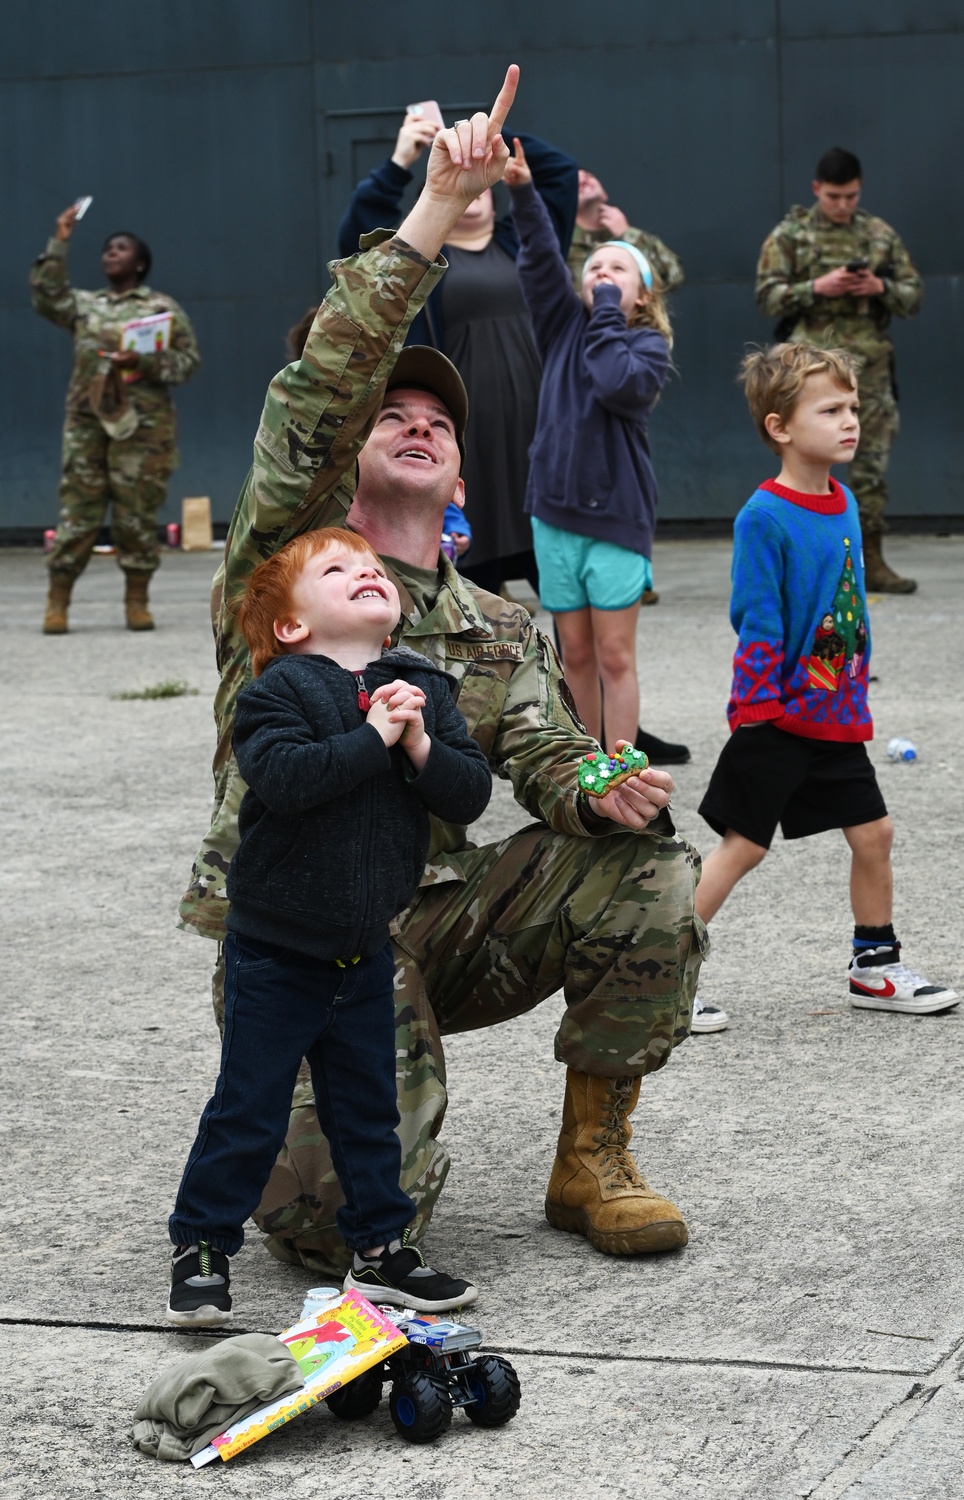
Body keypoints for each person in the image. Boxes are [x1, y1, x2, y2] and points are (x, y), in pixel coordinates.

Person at [180, 66, 704, 1275]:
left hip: (448, 914)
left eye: (440, 422)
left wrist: (594, 788)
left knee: (645, 866)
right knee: (334, 1237)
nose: (417, 423)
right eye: (390, 415)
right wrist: (433, 209)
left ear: (463, 475)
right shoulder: (290, 571)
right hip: (308, 933)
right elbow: (317, 389)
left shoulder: (498, 624)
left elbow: (541, 747)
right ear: (346, 452)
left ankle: (593, 1158)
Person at [168, 525, 491, 1325]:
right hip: (275, 951)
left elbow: (468, 795)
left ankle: (381, 1250)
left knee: (367, 1110)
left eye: (374, 567)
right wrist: (371, 738)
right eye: (339, 569)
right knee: (250, 1105)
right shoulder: (279, 690)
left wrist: (417, 742)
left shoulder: (423, 687)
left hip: (362, 950)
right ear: (291, 626)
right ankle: (202, 1242)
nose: (366, 574)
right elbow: (285, 778)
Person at [693, 342, 957, 1024]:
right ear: (780, 427)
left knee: (875, 835)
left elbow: (844, 607)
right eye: (831, 409)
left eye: (854, 408)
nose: (850, 422)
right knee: (743, 847)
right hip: (776, 714)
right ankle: (658, 972)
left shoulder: (842, 500)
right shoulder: (764, 516)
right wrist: (753, 705)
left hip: (833, 715)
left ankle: (873, 966)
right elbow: (756, 616)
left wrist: (853, 683)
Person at [337, 107, 577, 598]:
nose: (472, 196)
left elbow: (560, 173)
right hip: (471, 437)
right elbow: (357, 240)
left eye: (480, 183)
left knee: (560, 579)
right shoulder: (423, 262)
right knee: (473, 577)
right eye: (462, 184)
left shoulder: (525, 240)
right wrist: (406, 157)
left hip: (538, 429)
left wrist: (485, 135)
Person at [506, 141, 681, 758]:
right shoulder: (560, 326)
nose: (600, 275)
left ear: (644, 296)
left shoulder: (646, 349)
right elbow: (539, 257)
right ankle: (584, 767)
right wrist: (523, 192)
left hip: (615, 519)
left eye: (617, 270)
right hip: (554, 514)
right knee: (573, 652)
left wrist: (606, 312)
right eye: (594, 269)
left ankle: (623, 767)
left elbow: (613, 383)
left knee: (613, 654)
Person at [755, 147, 923, 594]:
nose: (843, 205)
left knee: (871, 467)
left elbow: (913, 295)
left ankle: (872, 559)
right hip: (809, 374)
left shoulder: (879, 235)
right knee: (805, 465)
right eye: (833, 196)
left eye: (850, 196)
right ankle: (810, 558)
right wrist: (818, 287)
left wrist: (880, 286)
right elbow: (767, 295)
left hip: (869, 372)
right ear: (816, 190)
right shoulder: (791, 235)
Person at [31, 204, 201, 633]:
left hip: (143, 429)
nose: (111, 253)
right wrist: (60, 239)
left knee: (135, 515)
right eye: (107, 248)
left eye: (121, 249)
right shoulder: (85, 305)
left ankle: (137, 600)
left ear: (139, 263)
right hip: (88, 422)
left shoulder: (161, 308)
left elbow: (187, 361)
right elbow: (47, 297)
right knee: (79, 511)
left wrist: (144, 362)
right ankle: (57, 600)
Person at [286, 304, 471, 560]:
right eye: (392, 416)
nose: (422, 427)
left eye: (440, 425)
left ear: (458, 490)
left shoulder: (484, 602)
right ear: (344, 466)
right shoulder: (296, 571)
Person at [569, 168, 684, 302]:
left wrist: (627, 234)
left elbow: (673, 277)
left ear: (604, 193)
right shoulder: (562, 247)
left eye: (588, 176)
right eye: (574, 182)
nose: (583, 180)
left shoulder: (630, 235)